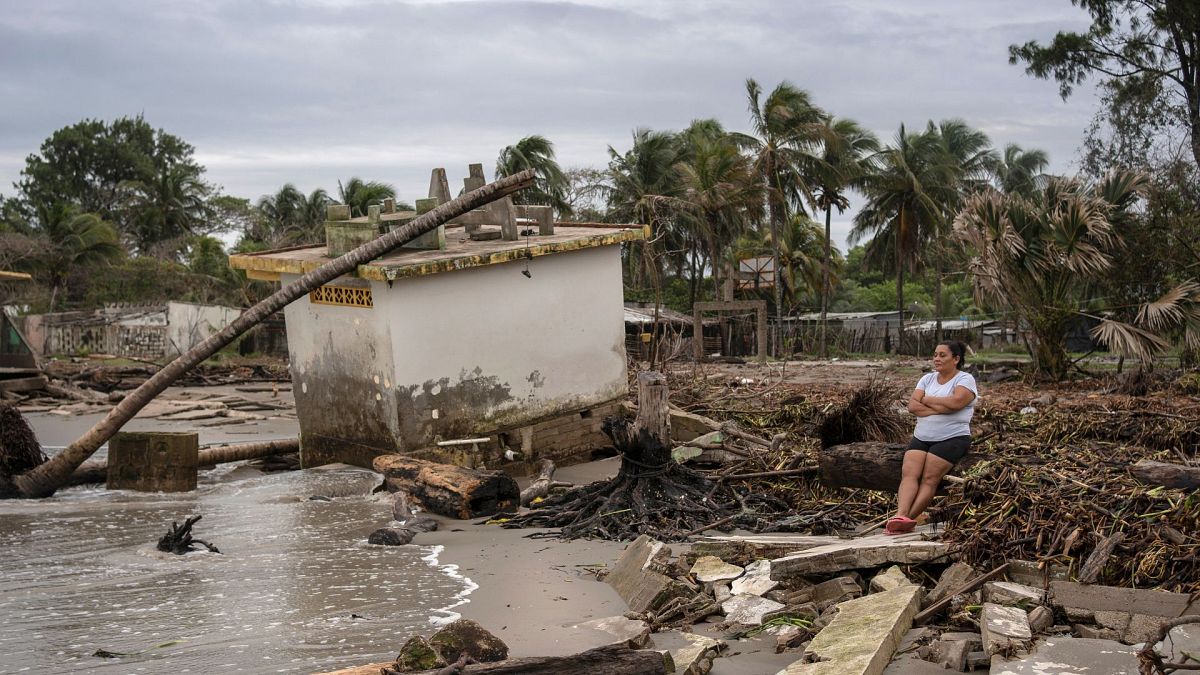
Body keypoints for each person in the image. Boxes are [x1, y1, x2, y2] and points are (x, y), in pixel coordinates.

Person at [886, 340, 978, 535]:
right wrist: (942, 407)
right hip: (922, 436)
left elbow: (956, 403)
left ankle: (907, 519)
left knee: (929, 478)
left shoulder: (965, 379)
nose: (936, 358)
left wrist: (927, 401)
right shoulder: (927, 379)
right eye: (935, 354)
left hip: (952, 438)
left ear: (956, 359)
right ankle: (900, 515)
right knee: (909, 474)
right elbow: (912, 406)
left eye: (942, 355)